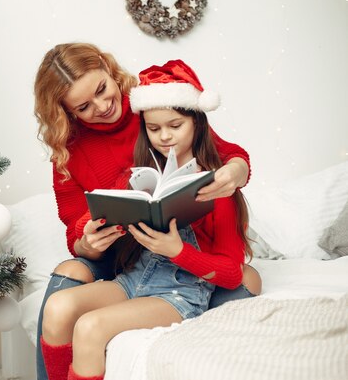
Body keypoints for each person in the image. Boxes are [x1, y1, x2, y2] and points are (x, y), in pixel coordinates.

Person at [33, 45, 261, 380]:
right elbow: (73, 231)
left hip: (177, 271)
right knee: (64, 288)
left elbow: (222, 153)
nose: (102, 106)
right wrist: (88, 236)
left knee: (245, 276)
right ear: (65, 112)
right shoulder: (68, 150)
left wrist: (235, 171)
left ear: (110, 71)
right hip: (124, 260)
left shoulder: (152, 107)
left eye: (102, 90)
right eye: (83, 106)